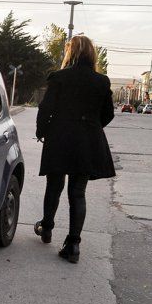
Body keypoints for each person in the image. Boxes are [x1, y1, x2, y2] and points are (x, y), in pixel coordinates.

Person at [34, 35, 115, 263]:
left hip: (60, 138)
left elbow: (45, 108)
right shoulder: (102, 81)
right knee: (78, 192)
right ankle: (73, 245)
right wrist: (91, 127)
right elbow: (107, 114)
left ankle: (47, 228)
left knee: (54, 185)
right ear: (91, 54)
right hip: (87, 142)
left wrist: (43, 132)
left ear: (70, 53)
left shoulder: (59, 77)